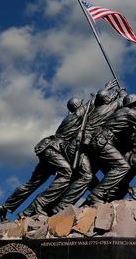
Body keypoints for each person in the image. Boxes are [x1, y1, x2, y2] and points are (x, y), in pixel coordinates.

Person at [0, 96, 87, 222]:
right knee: (67, 173)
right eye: (81, 103)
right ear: (77, 107)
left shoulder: (71, 117)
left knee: (33, 183)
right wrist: (109, 91)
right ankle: (39, 204)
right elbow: (93, 104)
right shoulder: (76, 115)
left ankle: (4, 207)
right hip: (53, 150)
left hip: (47, 149)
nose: (83, 105)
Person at [51, 80, 126, 213]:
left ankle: (95, 199)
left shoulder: (93, 110)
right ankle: (92, 198)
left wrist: (107, 89)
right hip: (92, 145)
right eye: (81, 103)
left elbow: (96, 101)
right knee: (118, 168)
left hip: (86, 146)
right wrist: (122, 92)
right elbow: (123, 101)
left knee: (90, 176)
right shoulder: (103, 109)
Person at [85, 93, 136, 204]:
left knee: (115, 176)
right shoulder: (129, 112)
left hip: (99, 141)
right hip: (103, 141)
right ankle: (96, 194)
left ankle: (103, 198)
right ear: (133, 104)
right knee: (123, 167)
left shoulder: (121, 112)